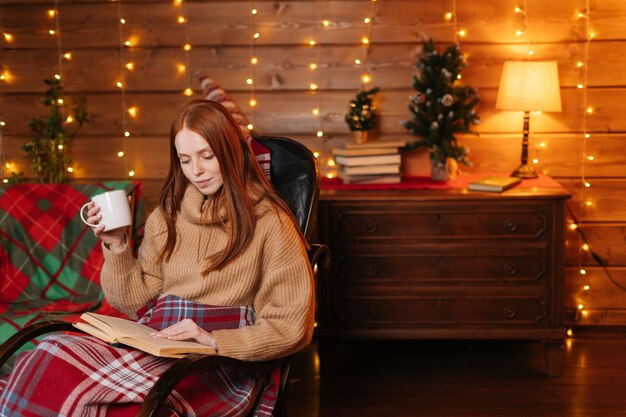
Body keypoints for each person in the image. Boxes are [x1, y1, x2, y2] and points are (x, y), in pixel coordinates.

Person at [0, 100, 315, 417]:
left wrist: (214, 340)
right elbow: (134, 303)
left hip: (216, 362)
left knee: (118, 407)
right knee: (48, 353)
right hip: (158, 342)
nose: (197, 171)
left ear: (232, 151)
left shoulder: (271, 222)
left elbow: (290, 327)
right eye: (185, 160)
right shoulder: (168, 214)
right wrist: (117, 245)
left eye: (207, 156)